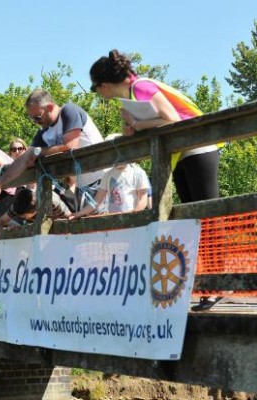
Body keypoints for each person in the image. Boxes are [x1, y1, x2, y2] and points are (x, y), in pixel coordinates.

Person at [89, 49, 221, 311]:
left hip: (198, 146)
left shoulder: (141, 86)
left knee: (208, 215)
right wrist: (132, 128)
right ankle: (206, 287)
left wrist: (137, 125)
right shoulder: (131, 96)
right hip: (181, 153)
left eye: (95, 89)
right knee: (191, 217)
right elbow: (156, 124)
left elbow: (171, 118)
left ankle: (217, 286)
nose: (99, 95)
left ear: (103, 85)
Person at [0, 89, 108, 208]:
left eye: (37, 117)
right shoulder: (44, 132)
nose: (35, 122)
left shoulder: (69, 111)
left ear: (49, 107)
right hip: (84, 187)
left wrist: (38, 152)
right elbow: (24, 159)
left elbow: (71, 147)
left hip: (104, 180)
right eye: (32, 119)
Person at [0, 187, 71, 240]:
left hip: (60, 233)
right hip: (40, 230)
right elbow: (2, 220)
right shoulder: (19, 205)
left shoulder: (54, 203)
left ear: (35, 210)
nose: (22, 217)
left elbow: (69, 221)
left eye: (24, 215)